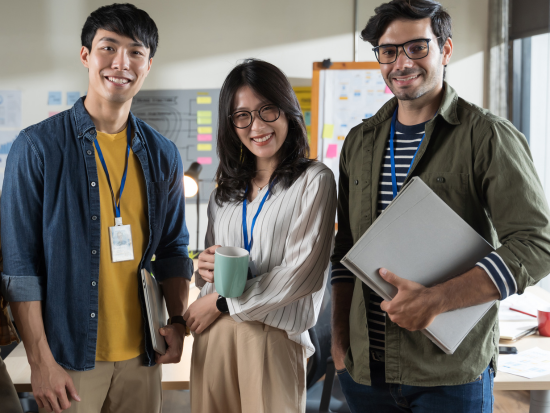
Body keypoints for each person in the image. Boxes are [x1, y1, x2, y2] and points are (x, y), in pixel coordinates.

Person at [330, 0, 550, 412]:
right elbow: (345, 250)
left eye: (417, 48)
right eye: (388, 51)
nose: (401, 63)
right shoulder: (358, 142)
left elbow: (537, 245)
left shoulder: (488, 137)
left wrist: (438, 299)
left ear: (445, 50)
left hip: (449, 376)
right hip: (365, 374)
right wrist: (340, 343)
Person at [1, 4, 193, 413]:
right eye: (109, 47)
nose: (120, 63)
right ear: (86, 55)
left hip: (144, 354)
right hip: (69, 358)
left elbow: (175, 249)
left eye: (135, 52)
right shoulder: (36, 148)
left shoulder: (163, 154)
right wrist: (40, 362)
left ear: (148, 64)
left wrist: (177, 322)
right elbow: (20, 267)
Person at [183, 59, 337, 413]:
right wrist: (202, 267)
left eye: (267, 110)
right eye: (243, 116)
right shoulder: (225, 189)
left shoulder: (314, 180)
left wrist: (223, 303)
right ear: (231, 124)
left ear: (286, 111)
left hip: (272, 338)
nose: (257, 126)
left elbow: (302, 275)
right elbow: (209, 268)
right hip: (214, 336)